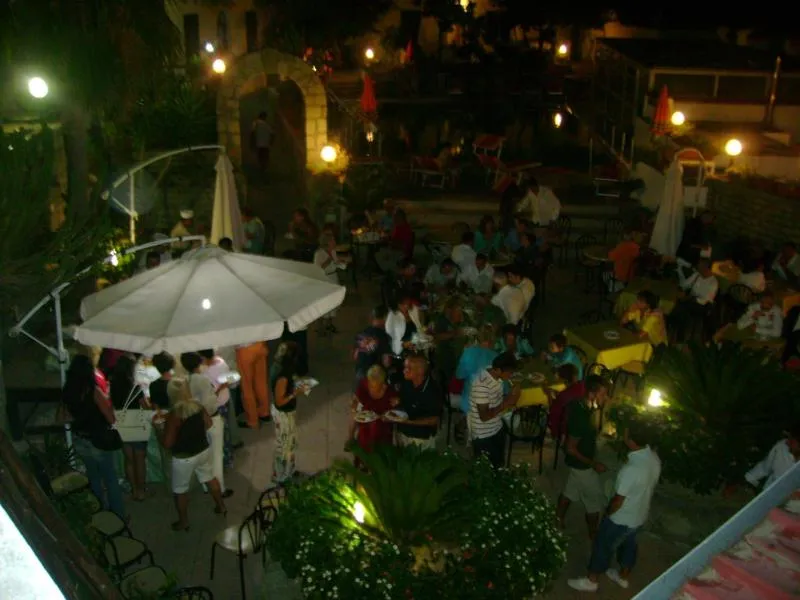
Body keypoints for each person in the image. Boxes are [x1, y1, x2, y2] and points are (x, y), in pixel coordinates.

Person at [567, 420, 661, 592]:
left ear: (631, 439)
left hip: (621, 518)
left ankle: (592, 580)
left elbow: (618, 501)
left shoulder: (631, 469)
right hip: (639, 515)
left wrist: (607, 515)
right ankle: (623, 577)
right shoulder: (654, 458)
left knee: (602, 545)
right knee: (629, 546)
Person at [155, 379, 227, 531]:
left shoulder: (175, 414)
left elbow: (167, 443)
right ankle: (221, 506)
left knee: (180, 490)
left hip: (184, 457)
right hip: (203, 450)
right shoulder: (198, 406)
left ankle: (184, 521)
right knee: (210, 478)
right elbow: (209, 424)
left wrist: (159, 430)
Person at [62, 353, 125, 518]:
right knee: (110, 478)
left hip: (80, 438)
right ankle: (118, 516)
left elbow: (62, 417)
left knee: (94, 477)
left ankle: (100, 513)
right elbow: (110, 417)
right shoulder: (94, 391)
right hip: (98, 439)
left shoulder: (68, 390)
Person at [556, 375, 609, 539]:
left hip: (578, 464)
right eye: (603, 394)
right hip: (582, 465)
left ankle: (557, 518)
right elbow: (571, 448)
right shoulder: (581, 417)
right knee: (594, 502)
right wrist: (593, 464)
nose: (606, 398)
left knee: (570, 491)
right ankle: (594, 534)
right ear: (592, 394)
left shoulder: (584, 405)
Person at [182, 352, 233, 498]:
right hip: (211, 419)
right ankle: (220, 488)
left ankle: (206, 486)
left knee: (204, 456)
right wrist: (220, 388)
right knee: (216, 455)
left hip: (196, 422)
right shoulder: (203, 380)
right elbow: (211, 403)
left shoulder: (185, 381)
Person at [469, 353, 520, 467]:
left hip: (497, 427)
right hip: (484, 435)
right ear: (497, 370)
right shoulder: (481, 385)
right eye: (509, 372)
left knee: (499, 464)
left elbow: (497, 400)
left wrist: (511, 397)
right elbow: (484, 416)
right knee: (485, 470)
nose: (511, 375)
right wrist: (507, 402)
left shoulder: (496, 376)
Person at [109, 354, 147, 501]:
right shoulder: (135, 386)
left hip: (122, 421)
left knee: (129, 459)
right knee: (139, 459)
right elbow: (145, 405)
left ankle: (133, 491)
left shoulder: (113, 385)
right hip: (136, 421)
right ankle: (141, 491)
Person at [270, 342, 309, 484]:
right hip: (283, 414)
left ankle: (289, 471)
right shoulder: (282, 375)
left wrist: (297, 383)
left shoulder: (281, 367)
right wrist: (295, 393)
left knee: (290, 443)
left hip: (286, 413)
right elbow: (280, 401)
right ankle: (282, 477)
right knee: (285, 446)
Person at [198, 349, 235, 471]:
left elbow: (230, 380)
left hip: (221, 404)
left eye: (202, 358)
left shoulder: (221, 364)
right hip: (209, 405)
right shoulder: (203, 366)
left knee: (224, 433)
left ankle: (227, 460)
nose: (201, 361)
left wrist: (217, 390)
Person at [396, 355, 441, 449]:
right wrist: (397, 401)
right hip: (403, 431)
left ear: (420, 371)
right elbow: (404, 401)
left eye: (409, 368)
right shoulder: (406, 383)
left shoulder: (432, 391)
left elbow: (433, 420)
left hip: (421, 438)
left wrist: (410, 422)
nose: (404, 370)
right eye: (405, 367)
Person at [353, 365, 399, 454]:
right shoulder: (363, 386)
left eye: (375, 385)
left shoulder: (390, 392)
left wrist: (396, 404)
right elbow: (355, 407)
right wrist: (354, 407)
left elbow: (394, 413)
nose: (371, 386)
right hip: (366, 427)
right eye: (370, 383)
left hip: (383, 429)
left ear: (382, 384)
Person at [671, 258, 719, 342]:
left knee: (682, 308)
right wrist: (680, 289)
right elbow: (685, 284)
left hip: (702, 305)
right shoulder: (697, 275)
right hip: (690, 300)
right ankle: (676, 330)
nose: (697, 267)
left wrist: (691, 298)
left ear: (706, 267)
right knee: (680, 305)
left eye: (700, 265)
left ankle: (678, 334)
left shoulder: (713, 282)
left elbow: (707, 300)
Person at [455, 325, 498, 416]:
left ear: (477, 339)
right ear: (493, 340)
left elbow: (459, 375)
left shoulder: (468, 352)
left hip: (470, 403)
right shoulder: (496, 357)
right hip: (491, 404)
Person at [745, 425, 800, 490]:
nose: (787, 442)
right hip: (773, 493)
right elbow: (764, 467)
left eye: (791, 441)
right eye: (789, 438)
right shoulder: (780, 447)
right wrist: (749, 478)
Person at [314, 232, 347, 334]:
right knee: (323, 303)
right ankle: (320, 327)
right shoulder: (319, 253)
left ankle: (329, 324)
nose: (334, 242)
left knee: (333, 303)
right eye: (332, 240)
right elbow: (317, 269)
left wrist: (342, 262)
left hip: (333, 277)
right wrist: (329, 260)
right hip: (325, 279)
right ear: (327, 242)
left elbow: (336, 263)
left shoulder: (333, 252)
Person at [235, 342, 270, 429]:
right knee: (261, 383)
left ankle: (253, 420)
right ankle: (264, 412)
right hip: (259, 345)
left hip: (244, 350)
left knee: (247, 387)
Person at [547, 364, 584, 439]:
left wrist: (549, 395)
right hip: (580, 423)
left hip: (565, 428)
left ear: (565, 380)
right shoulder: (582, 386)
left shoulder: (563, 395)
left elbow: (552, 410)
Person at [433, 299, 465, 381]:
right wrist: (454, 333)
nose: (460, 314)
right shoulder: (442, 321)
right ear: (450, 310)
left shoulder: (455, 321)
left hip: (455, 357)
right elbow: (437, 336)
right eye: (457, 311)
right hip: (444, 358)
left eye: (460, 311)